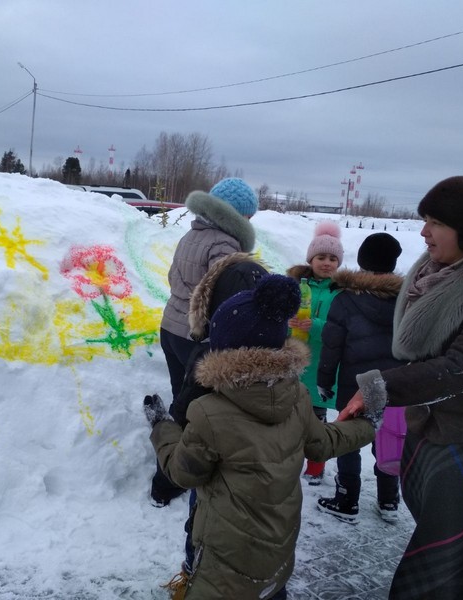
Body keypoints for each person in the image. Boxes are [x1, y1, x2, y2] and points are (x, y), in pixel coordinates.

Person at [340, 176, 463, 599]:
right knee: (436, 521)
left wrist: (378, 388)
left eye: (435, 222)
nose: (423, 232)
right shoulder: (436, 273)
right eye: (424, 220)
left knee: (449, 553)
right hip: (437, 421)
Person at [145, 274, 377, 600]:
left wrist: (161, 427)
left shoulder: (209, 412)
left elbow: (183, 472)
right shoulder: (297, 396)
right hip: (277, 554)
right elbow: (323, 442)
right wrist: (368, 424)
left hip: (224, 563)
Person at [154, 177, 258, 507]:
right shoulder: (225, 245)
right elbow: (223, 295)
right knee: (194, 409)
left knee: (181, 398)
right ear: (236, 216)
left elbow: (175, 279)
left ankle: (170, 466)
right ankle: (169, 480)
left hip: (171, 328)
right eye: (248, 216)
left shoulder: (192, 235)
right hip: (194, 335)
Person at [316, 232, 405, 524]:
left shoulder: (346, 299)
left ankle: (346, 499)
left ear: (362, 261)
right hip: (394, 384)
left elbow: (332, 346)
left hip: (354, 386)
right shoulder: (408, 299)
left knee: (349, 441)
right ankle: (389, 500)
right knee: (388, 440)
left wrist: (324, 381)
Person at [287, 220, 344, 485]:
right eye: (321, 257)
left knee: (317, 421)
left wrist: (317, 326)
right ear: (311, 259)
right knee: (292, 415)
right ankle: (290, 458)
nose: (326, 263)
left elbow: (342, 328)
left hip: (323, 364)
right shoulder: (297, 285)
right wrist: (288, 323)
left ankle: (316, 464)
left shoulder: (341, 293)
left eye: (333, 258)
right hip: (297, 361)